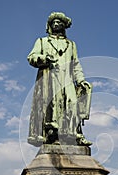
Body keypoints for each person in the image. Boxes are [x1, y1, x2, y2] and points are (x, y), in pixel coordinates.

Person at [27, 12, 92, 146]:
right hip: (50, 78)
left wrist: (81, 80)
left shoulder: (71, 44)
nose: (56, 24)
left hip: (67, 78)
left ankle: (73, 135)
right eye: (54, 22)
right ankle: (53, 136)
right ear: (50, 25)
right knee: (53, 107)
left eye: (59, 22)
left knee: (73, 103)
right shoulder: (42, 41)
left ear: (64, 25)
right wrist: (43, 59)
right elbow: (31, 57)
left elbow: (76, 64)